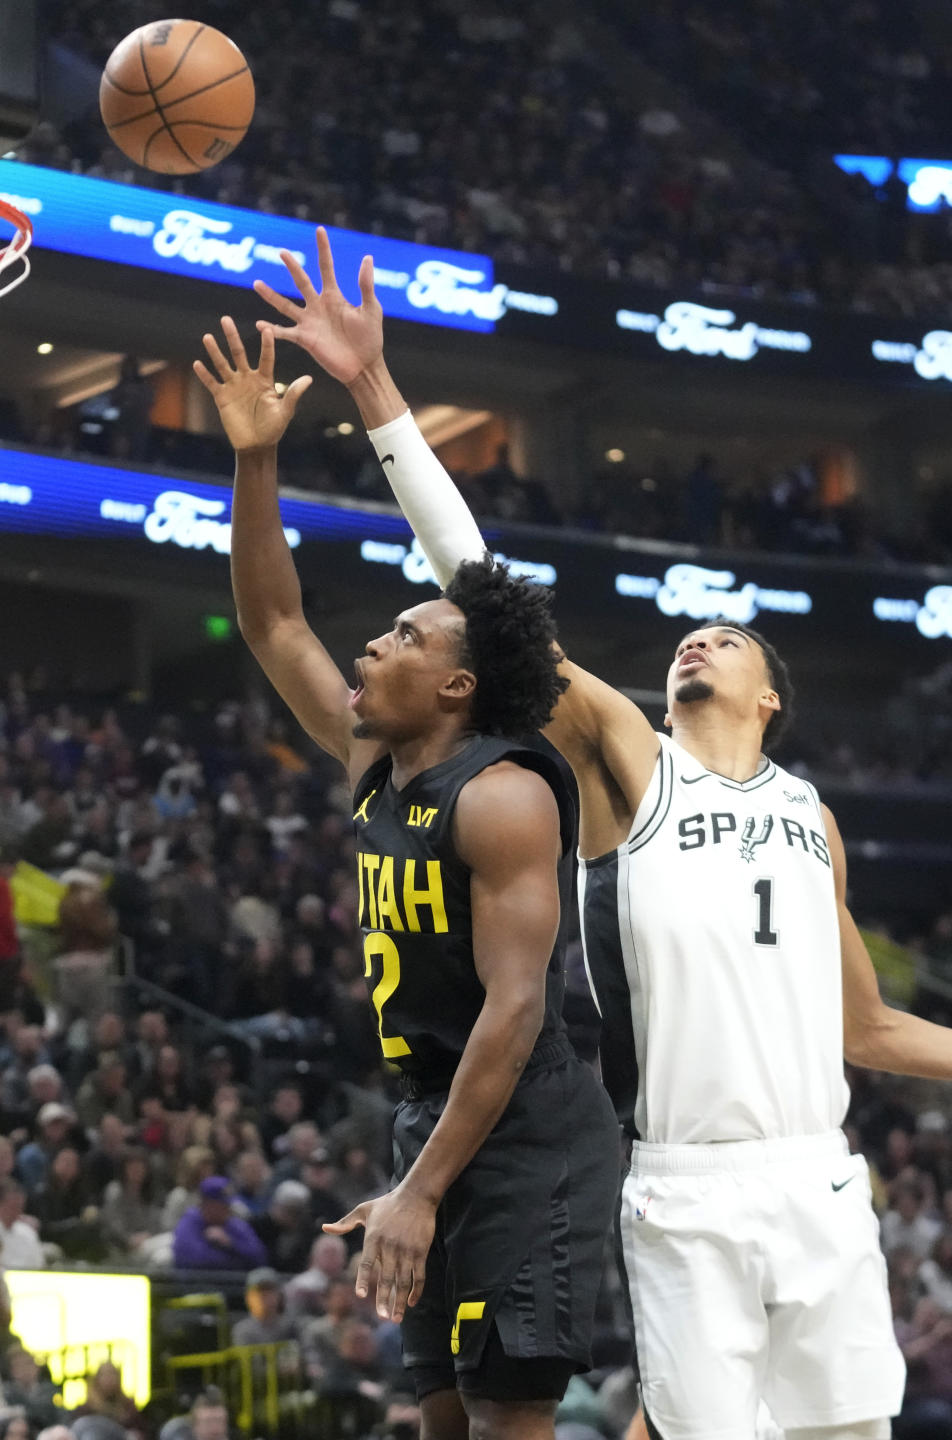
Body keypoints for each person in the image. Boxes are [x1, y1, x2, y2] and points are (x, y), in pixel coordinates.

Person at [253, 226, 952, 1440]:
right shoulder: (638, 768)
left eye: (729, 639)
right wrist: (376, 391)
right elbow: (484, 586)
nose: (700, 639)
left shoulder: (810, 819)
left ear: (771, 698)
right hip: (681, 1179)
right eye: (692, 635)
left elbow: (871, 1027)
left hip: (823, 1175)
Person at [193, 311, 621, 1439]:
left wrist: (422, 1191)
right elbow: (271, 617)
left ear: (459, 689)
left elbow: (519, 1009)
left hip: (524, 1122)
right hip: (432, 1108)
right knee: (438, 1418)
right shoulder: (374, 765)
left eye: (405, 637)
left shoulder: (505, 794)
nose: (374, 646)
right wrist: (254, 459)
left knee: (504, 1421)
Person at [172, 1176, 267, 1272]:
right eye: (223, 1205)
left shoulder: (233, 1223)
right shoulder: (189, 1222)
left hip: (233, 1285)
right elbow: (195, 1261)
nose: (228, 1209)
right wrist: (238, 1261)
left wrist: (231, 1243)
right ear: (207, 1204)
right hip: (196, 1285)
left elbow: (259, 1256)